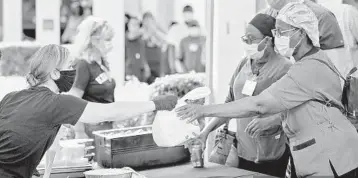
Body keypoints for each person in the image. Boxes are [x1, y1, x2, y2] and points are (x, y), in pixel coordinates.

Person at [176, 2, 358, 177]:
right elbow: (297, 105)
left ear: (301, 33)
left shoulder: (306, 68)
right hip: (311, 156)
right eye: (275, 31)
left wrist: (203, 110)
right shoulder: (304, 62)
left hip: (332, 158)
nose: (278, 37)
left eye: (281, 32)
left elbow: (259, 104)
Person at [0, 44, 178, 178]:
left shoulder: (11, 97)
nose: (73, 71)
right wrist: (155, 104)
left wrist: (42, 173)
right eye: (69, 66)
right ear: (54, 74)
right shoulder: (56, 102)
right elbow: (109, 112)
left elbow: (46, 141)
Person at [198, 14, 292, 177]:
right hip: (240, 150)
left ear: (268, 40)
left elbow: (294, 109)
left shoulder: (284, 67)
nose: (247, 43)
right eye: (245, 38)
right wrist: (205, 132)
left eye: (251, 39)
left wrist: (271, 120)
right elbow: (229, 104)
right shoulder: (243, 63)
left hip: (270, 152)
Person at [65, 16, 116, 139]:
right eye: (107, 39)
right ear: (94, 40)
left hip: (105, 128)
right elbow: (73, 102)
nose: (110, 43)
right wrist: (79, 132)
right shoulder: (83, 65)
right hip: (89, 130)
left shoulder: (102, 62)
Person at [125, 16, 151, 82]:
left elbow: (143, 56)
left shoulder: (140, 41)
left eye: (137, 24)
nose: (135, 26)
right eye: (133, 24)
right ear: (128, 25)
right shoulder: (124, 39)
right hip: (128, 73)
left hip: (140, 73)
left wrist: (146, 67)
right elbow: (131, 37)